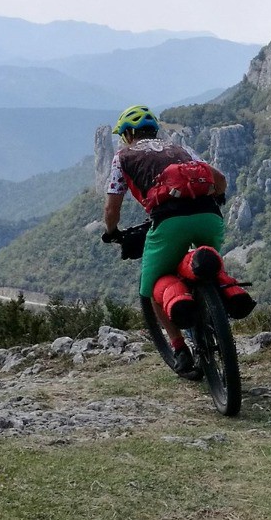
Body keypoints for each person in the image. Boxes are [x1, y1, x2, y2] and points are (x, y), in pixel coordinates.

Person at [101, 104, 229, 377]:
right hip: (210, 217)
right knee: (204, 266)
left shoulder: (123, 157)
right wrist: (216, 199)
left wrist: (112, 232)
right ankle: (218, 309)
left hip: (169, 221)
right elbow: (220, 179)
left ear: (129, 134)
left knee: (152, 289)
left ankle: (180, 350)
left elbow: (112, 208)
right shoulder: (180, 149)